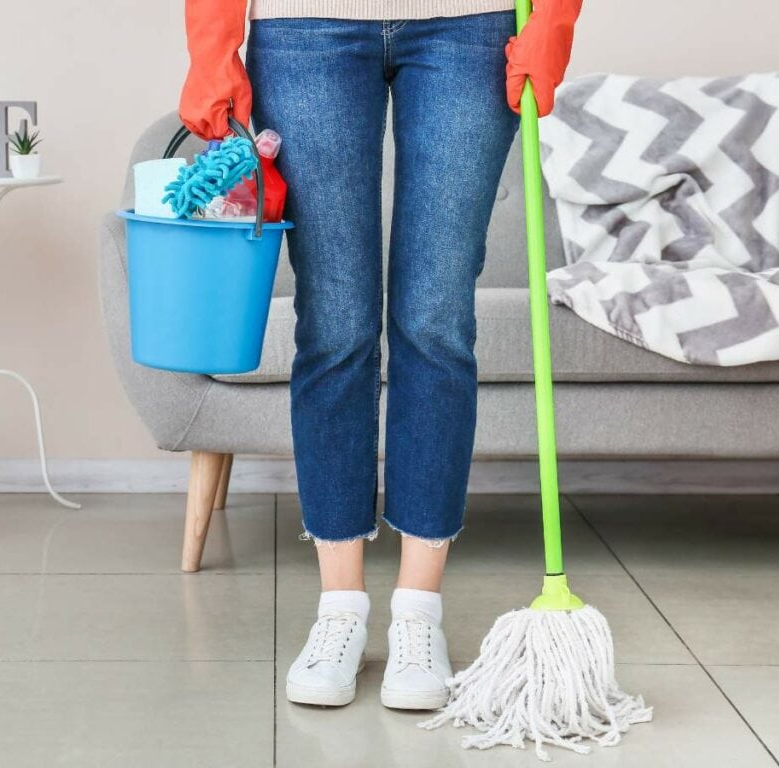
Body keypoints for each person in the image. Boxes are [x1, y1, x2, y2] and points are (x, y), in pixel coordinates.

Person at [179, 0, 581, 709]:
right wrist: (212, 43)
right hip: (303, 28)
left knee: (436, 320)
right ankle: (340, 610)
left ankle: (418, 614)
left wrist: (551, 18)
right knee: (335, 323)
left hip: (471, 23)